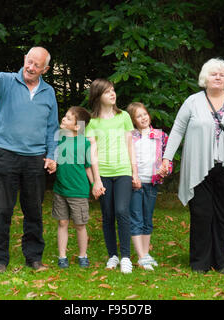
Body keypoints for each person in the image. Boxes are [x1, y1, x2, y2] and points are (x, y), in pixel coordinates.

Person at [0, 47, 59, 273]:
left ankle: (34, 258)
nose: (31, 67)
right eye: (29, 62)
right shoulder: (6, 81)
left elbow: (52, 128)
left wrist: (52, 155)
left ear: (45, 69)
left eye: (37, 65)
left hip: (35, 160)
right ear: (24, 59)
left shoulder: (49, 92)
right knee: (2, 209)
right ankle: (0, 259)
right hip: (6, 156)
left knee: (33, 210)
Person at [160, 58, 224, 274]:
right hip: (198, 166)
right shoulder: (192, 101)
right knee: (201, 214)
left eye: (221, 74)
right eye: (213, 74)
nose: (217, 77)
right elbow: (177, 130)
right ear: (205, 78)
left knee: (223, 215)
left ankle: (220, 262)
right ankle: (199, 263)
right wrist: (167, 158)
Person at [85, 79, 140, 274]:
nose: (112, 94)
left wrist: (135, 172)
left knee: (122, 211)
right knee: (107, 215)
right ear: (98, 95)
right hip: (104, 174)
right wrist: (96, 180)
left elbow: (130, 145)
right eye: (107, 91)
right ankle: (113, 256)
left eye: (113, 90)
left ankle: (125, 257)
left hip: (123, 171)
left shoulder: (124, 116)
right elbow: (91, 151)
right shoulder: (90, 121)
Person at [126, 102, 173, 271]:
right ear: (133, 120)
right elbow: (125, 159)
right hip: (135, 183)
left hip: (152, 183)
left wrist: (165, 169)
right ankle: (140, 256)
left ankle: (145, 254)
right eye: (138, 116)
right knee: (136, 218)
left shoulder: (161, 135)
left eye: (144, 114)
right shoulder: (130, 136)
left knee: (147, 219)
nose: (143, 118)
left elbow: (168, 159)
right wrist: (132, 176)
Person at [52, 106, 95, 269]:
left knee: (79, 224)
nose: (64, 119)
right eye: (65, 115)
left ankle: (82, 255)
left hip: (78, 190)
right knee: (62, 222)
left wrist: (94, 184)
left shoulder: (84, 142)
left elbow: (87, 166)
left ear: (77, 126)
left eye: (69, 118)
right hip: (60, 189)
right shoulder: (59, 139)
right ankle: (62, 256)